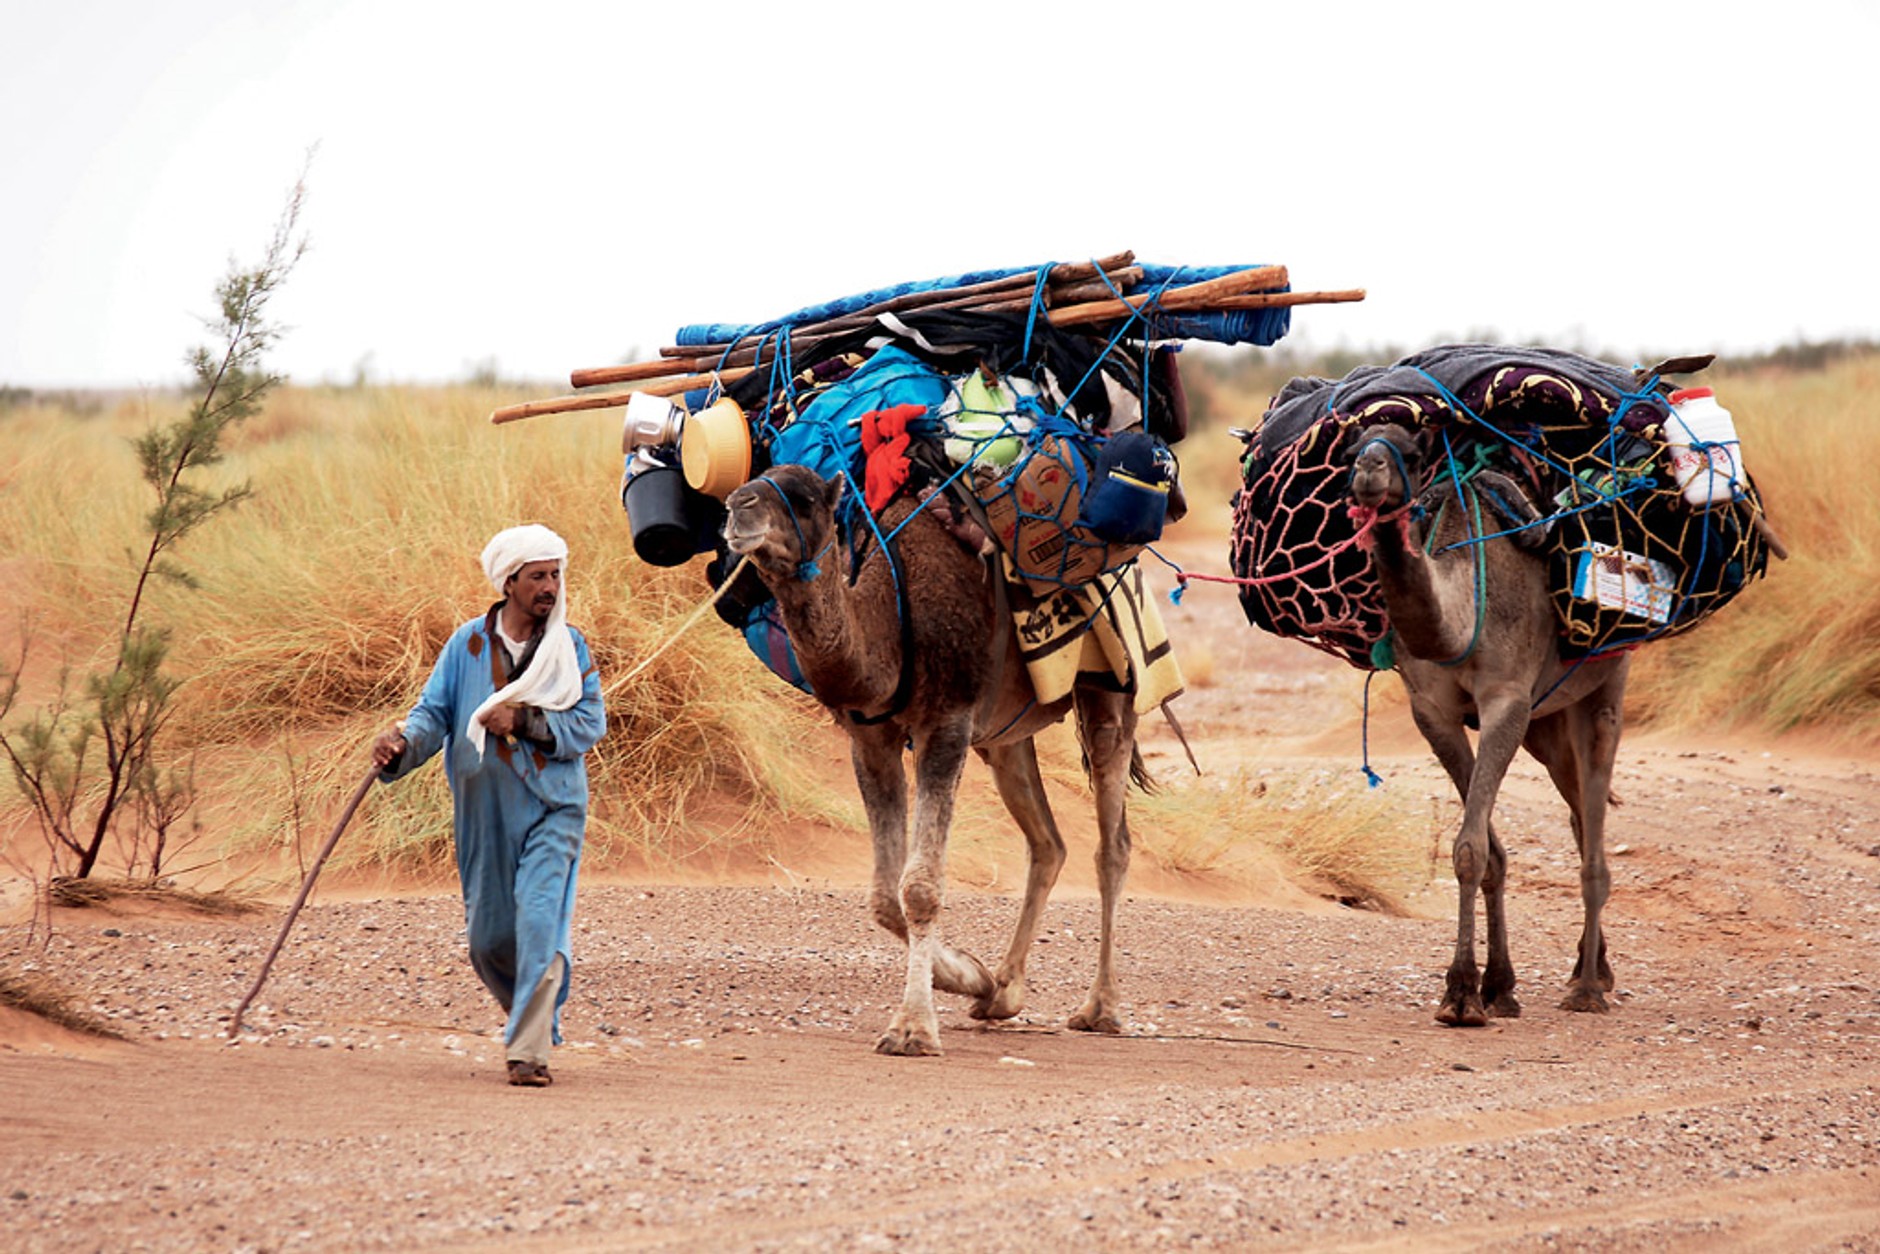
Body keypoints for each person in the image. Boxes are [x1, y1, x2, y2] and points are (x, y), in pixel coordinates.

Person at [372, 524, 606, 1087]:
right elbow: (434, 715)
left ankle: (527, 1052)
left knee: (540, 919)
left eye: (555, 575)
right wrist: (400, 744)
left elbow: (588, 723)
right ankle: (530, 1010)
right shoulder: (467, 646)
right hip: (483, 811)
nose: (550, 586)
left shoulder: (569, 648)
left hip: (555, 806)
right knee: (489, 940)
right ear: (509, 582)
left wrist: (524, 721)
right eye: (537, 577)